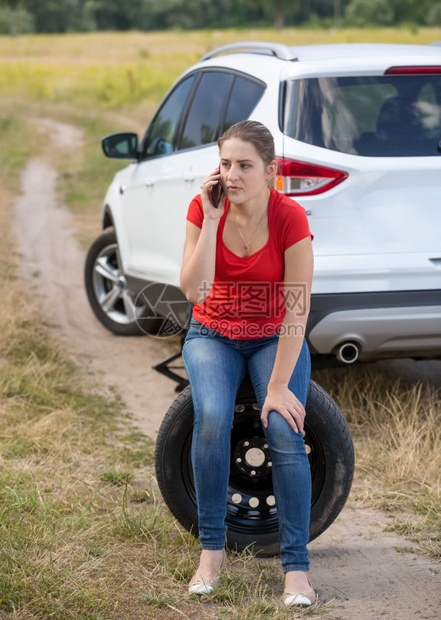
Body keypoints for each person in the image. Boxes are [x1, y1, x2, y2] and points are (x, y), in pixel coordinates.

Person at [179, 120, 316, 608]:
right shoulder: (204, 207)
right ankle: (211, 553)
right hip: (211, 334)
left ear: (271, 171)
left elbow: (297, 308)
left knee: (282, 427)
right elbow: (193, 291)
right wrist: (214, 221)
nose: (231, 175)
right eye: (224, 164)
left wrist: (277, 387)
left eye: (244, 165)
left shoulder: (290, 218)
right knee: (212, 419)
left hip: (272, 339)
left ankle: (296, 569)